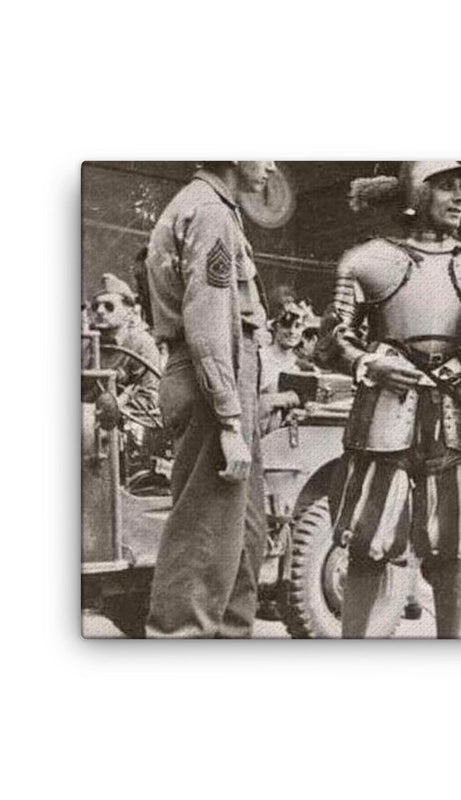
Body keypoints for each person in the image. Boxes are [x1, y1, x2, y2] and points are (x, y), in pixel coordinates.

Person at [317, 161, 461, 638]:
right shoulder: (368, 260)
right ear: (416, 191)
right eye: (446, 187)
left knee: (451, 549)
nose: (459, 198)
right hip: (384, 413)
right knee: (369, 543)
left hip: (455, 412)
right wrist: (370, 362)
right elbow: (333, 338)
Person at [144, 161, 276, 638]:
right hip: (211, 386)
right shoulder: (209, 213)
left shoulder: (216, 209)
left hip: (219, 381)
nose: (272, 165)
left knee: (241, 545)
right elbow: (208, 325)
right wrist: (228, 422)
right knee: (203, 548)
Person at [81, 273, 161, 425]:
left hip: (122, 425)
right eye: (96, 306)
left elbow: (150, 397)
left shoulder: (142, 344)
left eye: (109, 306)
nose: (100, 311)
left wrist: (115, 408)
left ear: (128, 312)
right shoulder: (85, 343)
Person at [259, 302, 304, 434]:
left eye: (298, 326)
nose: (292, 332)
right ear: (275, 326)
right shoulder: (260, 359)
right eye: (286, 325)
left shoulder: (300, 367)